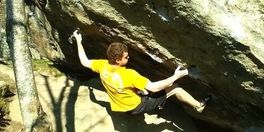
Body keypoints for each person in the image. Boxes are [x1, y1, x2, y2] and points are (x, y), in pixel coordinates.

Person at [72, 30, 209, 115]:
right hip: (135, 107)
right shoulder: (129, 74)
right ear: (118, 60)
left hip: (120, 105)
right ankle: (199, 106)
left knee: (144, 88)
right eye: (126, 57)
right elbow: (154, 87)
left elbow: (84, 61)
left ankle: (159, 103)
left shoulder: (102, 65)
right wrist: (175, 76)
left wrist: (79, 41)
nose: (129, 57)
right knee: (175, 88)